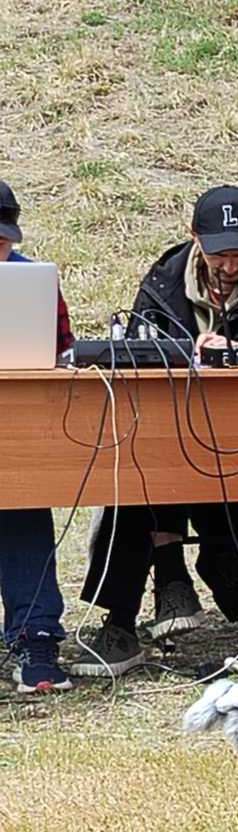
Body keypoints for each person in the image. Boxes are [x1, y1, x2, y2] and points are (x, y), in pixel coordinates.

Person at [72, 185, 238, 673]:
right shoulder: (166, 277)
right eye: (219, 255)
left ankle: (172, 574)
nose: (231, 266)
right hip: (173, 432)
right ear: (194, 237)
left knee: (159, 469)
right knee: (131, 471)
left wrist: (236, 345)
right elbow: (139, 344)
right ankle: (128, 615)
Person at [0, 180, 74, 691]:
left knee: (22, 499)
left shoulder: (33, 282)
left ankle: (36, 634)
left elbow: (64, 352)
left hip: (16, 427)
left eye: (3, 243)